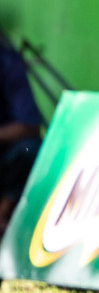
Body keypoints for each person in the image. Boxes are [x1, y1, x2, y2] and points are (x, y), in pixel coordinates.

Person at [0, 30, 43, 235]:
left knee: (31, 149)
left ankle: (5, 209)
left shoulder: (7, 62)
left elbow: (29, 126)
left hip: (7, 157)